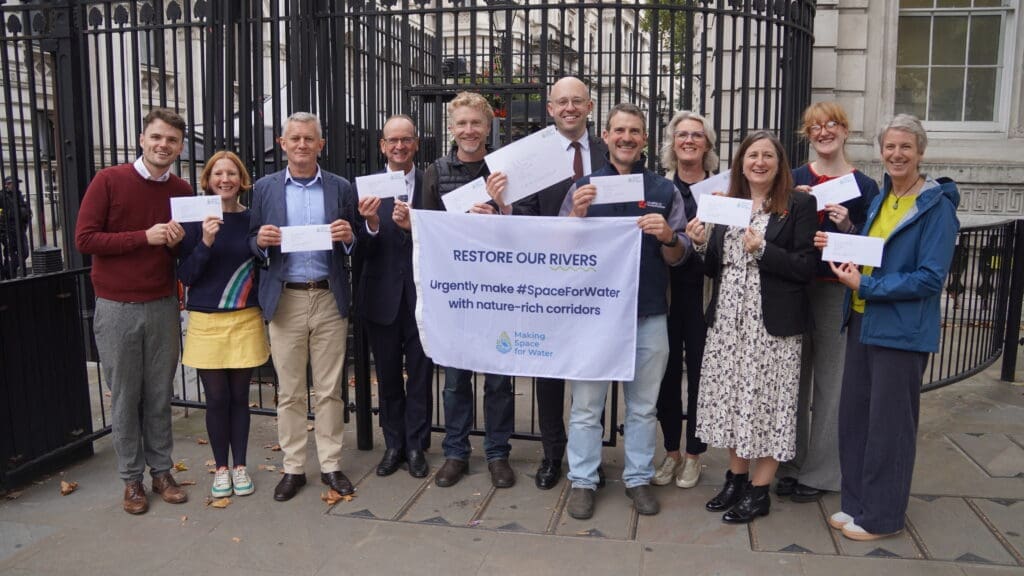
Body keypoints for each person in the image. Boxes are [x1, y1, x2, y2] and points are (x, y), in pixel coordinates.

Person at [820, 114, 959, 541]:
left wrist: (869, 284)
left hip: (900, 329)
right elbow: (875, 247)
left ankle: (882, 517)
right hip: (863, 318)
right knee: (856, 419)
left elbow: (930, 278)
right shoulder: (884, 196)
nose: (896, 154)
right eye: (890, 147)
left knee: (890, 426)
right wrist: (846, 233)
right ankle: (856, 503)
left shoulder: (937, 208)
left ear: (921, 152)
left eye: (905, 147)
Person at [560, 103, 691, 520]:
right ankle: (582, 479)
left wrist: (669, 235)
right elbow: (558, 249)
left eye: (635, 131)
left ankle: (637, 478)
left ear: (645, 140)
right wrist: (576, 216)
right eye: (619, 130)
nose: (627, 138)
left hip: (649, 312)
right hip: (594, 316)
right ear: (607, 136)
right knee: (585, 406)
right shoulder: (583, 186)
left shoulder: (664, 190)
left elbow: (681, 254)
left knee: (643, 406)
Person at [686, 130, 816, 524]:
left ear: (779, 165)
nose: (759, 162)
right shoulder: (728, 206)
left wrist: (763, 249)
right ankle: (736, 479)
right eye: (752, 156)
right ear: (740, 163)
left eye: (768, 156)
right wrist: (698, 243)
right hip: (728, 324)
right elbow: (714, 268)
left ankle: (760, 491)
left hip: (772, 327)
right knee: (734, 403)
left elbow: (806, 267)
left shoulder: (798, 205)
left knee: (769, 405)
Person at [74, 108, 192, 514]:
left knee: (159, 393)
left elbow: (186, 250)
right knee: (125, 396)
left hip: (161, 303)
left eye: (172, 140)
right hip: (117, 305)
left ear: (179, 147)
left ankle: (161, 470)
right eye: (157, 137)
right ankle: (131, 480)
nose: (163, 145)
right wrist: (145, 237)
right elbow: (85, 239)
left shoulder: (182, 189)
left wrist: (177, 241)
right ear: (142, 138)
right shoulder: (108, 181)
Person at [248, 112, 358, 502]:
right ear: (282, 144)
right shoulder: (265, 188)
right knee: (290, 390)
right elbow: (251, 241)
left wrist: (348, 237)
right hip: (286, 298)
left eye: (309, 139)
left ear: (320, 145)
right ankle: (293, 467)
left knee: (330, 389)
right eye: (294, 138)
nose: (301, 145)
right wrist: (260, 240)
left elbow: (353, 240)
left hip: (327, 296)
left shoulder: (340, 187)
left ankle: (330, 464)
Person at [776, 102, 879, 503]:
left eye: (831, 124)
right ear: (807, 134)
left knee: (832, 384)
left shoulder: (865, 186)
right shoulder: (794, 177)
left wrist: (846, 226)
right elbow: (770, 232)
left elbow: (873, 249)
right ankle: (790, 461)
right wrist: (789, 208)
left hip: (835, 291)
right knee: (792, 381)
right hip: (793, 289)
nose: (823, 132)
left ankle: (820, 473)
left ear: (845, 130)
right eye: (815, 127)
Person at [418, 92, 521, 489]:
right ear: (451, 128)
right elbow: (427, 229)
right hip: (456, 292)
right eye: (461, 123)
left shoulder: (504, 171)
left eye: (476, 123)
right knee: (455, 378)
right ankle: (456, 453)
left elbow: (527, 227)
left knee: (498, 378)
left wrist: (500, 208)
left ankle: (497, 454)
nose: (469, 131)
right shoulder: (435, 171)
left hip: (498, 290)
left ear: (488, 126)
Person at [529, 76, 608, 490]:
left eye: (578, 101)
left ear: (590, 107)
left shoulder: (609, 150)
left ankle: (586, 456)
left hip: (599, 278)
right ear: (550, 109)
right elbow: (523, 215)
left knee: (591, 369)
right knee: (548, 372)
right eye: (562, 102)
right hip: (550, 278)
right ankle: (551, 454)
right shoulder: (534, 156)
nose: (570, 108)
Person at [178, 151, 270, 498]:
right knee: (216, 398)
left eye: (232, 173)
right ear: (208, 179)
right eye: (218, 173)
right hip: (206, 319)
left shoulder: (252, 219)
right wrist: (204, 242)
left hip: (244, 317)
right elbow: (186, 275)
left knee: (239, 397)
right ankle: (220, 468)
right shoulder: (195, 219)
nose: (225, 179)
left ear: (242, 179)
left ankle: (241, 465)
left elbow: (265, 263)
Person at [354, 115, 433, 479]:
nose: (399, 146)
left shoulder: (431, 183)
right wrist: (370, 225)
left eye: (406, 139)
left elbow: (445, 236)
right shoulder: (367, 188)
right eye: (392, 141)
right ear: (382, 146)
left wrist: (413, 226)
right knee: (386, 378)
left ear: (416, 143)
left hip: (422, 298)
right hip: (381, 296)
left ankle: (417, 446)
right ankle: (394, 445)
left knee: (420, 377)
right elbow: (355, 249)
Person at [651, 111, 716, 490]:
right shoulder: (660, 188)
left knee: (703, 377)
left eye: (696, 135)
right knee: (665, 373)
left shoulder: (725, 188)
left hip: (706, 294)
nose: (688, 141)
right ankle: (671, 451)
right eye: (682, 135)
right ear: (672, 144)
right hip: (666, 291)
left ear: (707, 144)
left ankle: (694, 454)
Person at [0, 175, 31, 279]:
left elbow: (26, 211)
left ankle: (6, 272)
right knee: (9, 254)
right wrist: (3, 230)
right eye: (13, 183)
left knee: (25, 252)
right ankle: (9, 276)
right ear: (6, 185)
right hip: (8, 230)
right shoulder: (1, 196)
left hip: (20, 229)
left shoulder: (19, 196)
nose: (16, 185)